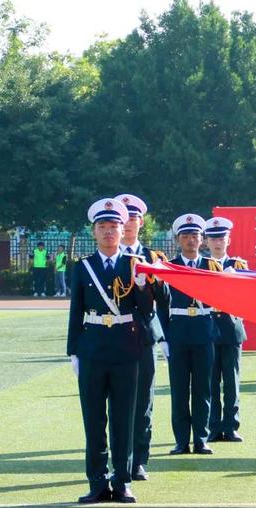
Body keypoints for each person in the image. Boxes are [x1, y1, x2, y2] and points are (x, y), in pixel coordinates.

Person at [67, 198, 153, 504]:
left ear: (122, 230)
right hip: (92, 348)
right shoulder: (83, 267)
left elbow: (146, 311)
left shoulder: (133, 264)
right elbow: (76, 310)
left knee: (123, 418)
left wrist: (142, 286)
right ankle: (97, 482)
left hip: (125, 349)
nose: (108, 232)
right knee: (93, 420)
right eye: (102, 227)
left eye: (113, 226)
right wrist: (73, 351)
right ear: (94, 232)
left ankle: (122, 481)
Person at [156, 214, 219, 455]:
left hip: (204, 331)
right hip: (178, 332)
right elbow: (162, 305)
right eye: (185, 236)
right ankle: (181, 441)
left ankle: (201, 439)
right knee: (179, 390)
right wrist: (164, 337)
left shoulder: (211, 266)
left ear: (202, 239)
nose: (191, 240)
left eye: (195, 235)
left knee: (203, 389)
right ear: (178, 239)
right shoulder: (169, 267)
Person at [114, 193, 165, 481]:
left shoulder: (154, 258)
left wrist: (149, 282)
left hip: (144, 336)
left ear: (141, 222)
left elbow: (166, 298)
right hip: (114, 336)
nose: (129, 223)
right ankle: (120, 460)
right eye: (124, 219)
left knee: (143, 401)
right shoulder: (110, 257)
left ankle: (139, 461)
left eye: (133, 218)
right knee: (117, 402)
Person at [205, 216, 248, 442]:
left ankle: (231, 426)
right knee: (211, 381)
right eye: (213, 239)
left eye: (221, 238)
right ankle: (213, 426)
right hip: (208, 327)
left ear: (228, 240)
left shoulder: (238, 266)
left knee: (231, 381)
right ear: (206, 242)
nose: (217, 243)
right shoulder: (201, 265)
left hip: (231, 327)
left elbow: (247, 296)